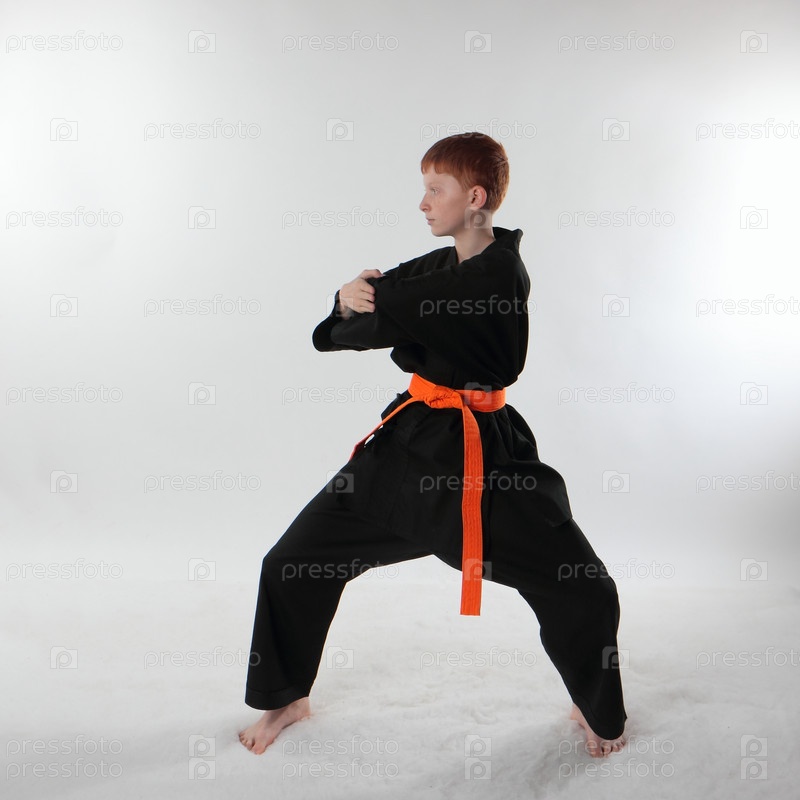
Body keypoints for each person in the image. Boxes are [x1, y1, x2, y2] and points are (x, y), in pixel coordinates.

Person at [239, 132, 628, 758]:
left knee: (583, 585)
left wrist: (356, 297)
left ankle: (597, 707)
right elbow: (344, 326)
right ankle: (286, 695)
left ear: (474, 197)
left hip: (482, 462)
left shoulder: (494, 274)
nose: (423, 203)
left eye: (435, 189)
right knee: (292, 562)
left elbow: (376, 311)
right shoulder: (441, 265)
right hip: (409, 445)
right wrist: (347, 300)